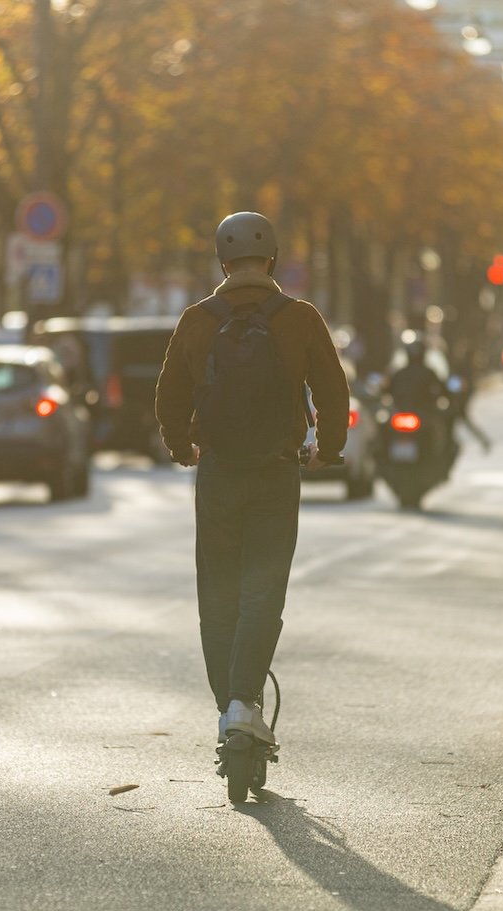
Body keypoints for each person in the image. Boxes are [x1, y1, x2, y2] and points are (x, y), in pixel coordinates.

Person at [155, 211, 350, 746]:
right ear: (273, 259)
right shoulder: (300, 317)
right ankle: (245, 703)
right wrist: (326, 449)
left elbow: (168, 395)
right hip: (276, 472)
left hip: (218, 474)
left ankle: (230, 712)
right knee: (263, 593)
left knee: (217, 597)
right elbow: (333, 390)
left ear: (222, 261)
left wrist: (182, 447)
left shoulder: (197, 319)